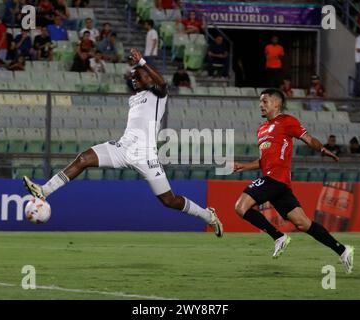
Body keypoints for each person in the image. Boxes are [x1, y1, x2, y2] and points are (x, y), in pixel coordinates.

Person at [23, 47, 223, 238]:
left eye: (139, 76)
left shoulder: (157, 95)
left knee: (169, 200)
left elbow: (162, 84)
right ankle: (44, 191)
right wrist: (140, 68)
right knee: (83, 158)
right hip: (123, 148)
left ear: (148, 77)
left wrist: (142, 62)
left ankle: (208, 216)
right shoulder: (134, 99)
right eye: (133, 77)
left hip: (146, 156)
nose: (134, 79)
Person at [233, 88, 354, 274]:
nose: (261, 105)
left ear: (277, 104)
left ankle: (278, 236)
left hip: (276, 179)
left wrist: (322, 150)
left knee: (241, 207)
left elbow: (308, 138)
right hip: (276, 183)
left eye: (265, 101)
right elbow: (264, 161)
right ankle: (343, 250)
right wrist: (243, 166)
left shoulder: (287, 121)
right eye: (260, 101)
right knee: (303, 224)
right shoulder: (261, 129)